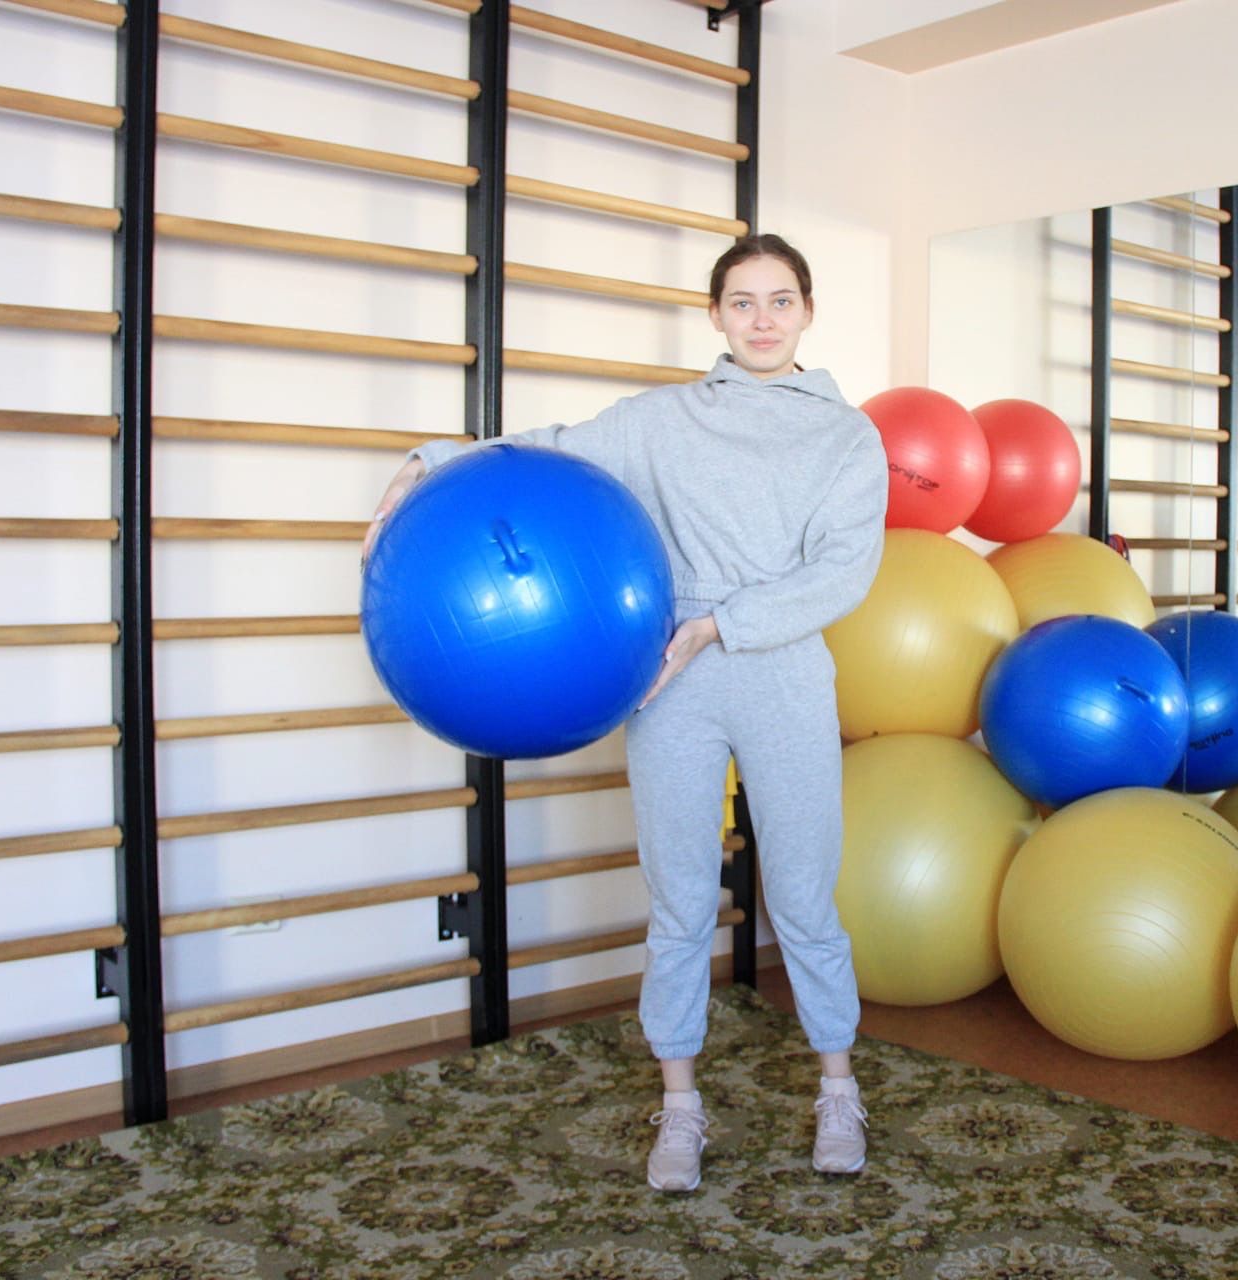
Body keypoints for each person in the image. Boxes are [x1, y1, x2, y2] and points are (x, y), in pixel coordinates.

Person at [364, 234, 888, 1193]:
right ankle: (681, 1107)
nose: (762, 320)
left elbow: (843, 573)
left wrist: (720, 625)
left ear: (808, 312)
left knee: (805, 900)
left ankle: (837, 1089)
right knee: (680, 901)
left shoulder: (847, 438)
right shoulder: (661, 420)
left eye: (780, 300)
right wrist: (425, 462)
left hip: (780, 675)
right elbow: (543, 450)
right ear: (715, 315)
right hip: (668, 685)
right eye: (742, 302)